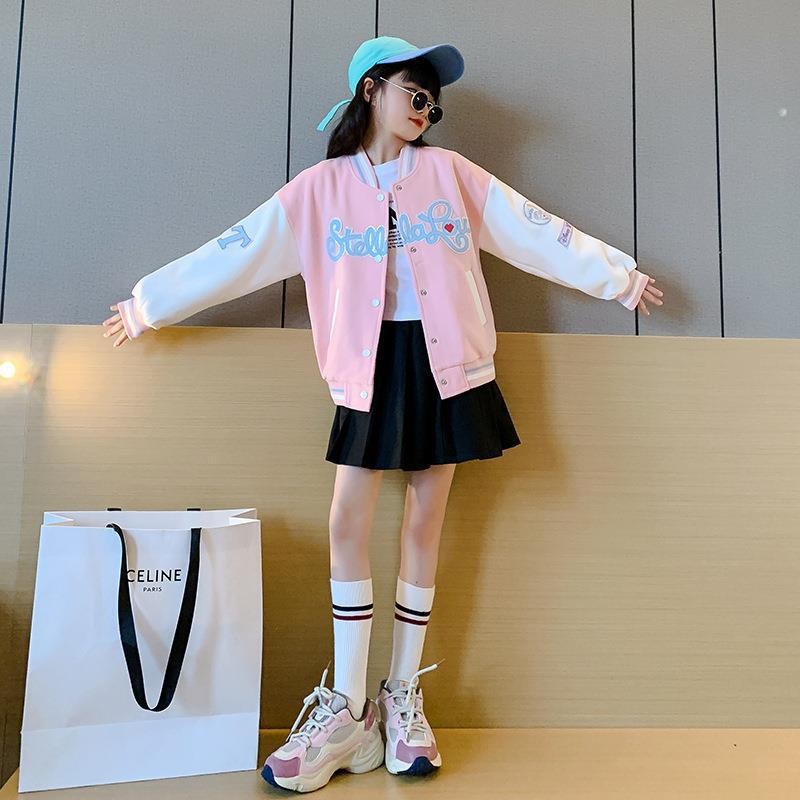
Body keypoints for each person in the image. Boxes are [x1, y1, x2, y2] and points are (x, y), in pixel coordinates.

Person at [101, 35, 664, 793]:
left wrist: (616, 277)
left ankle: (401, 698)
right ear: (372, 89)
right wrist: (149, 304)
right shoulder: (319, 190)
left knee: (426, 520)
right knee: (347, 520)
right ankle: (347, 705)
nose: (426, 110)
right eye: (415, 93)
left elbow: (529, 226)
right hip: (369, 368)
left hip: (448, 363)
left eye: (434, 102)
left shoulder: (451, 174)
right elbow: (236, 251)